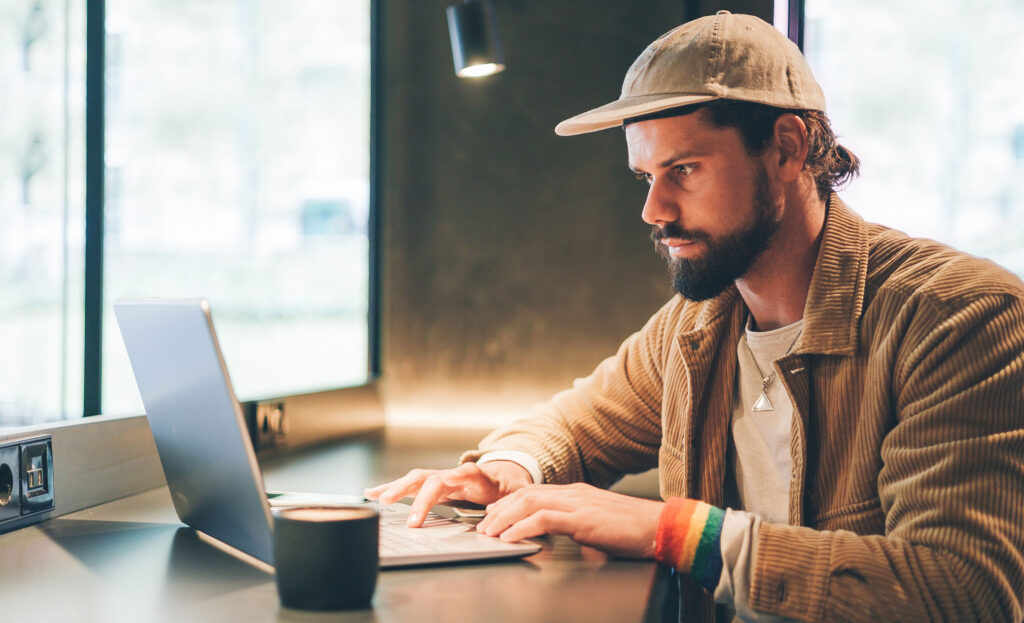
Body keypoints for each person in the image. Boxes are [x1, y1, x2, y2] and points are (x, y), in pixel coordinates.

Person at [365, 11, 1024, 623]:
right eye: (644, 176)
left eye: (683, 169)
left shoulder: (958, 317)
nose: (654, 209)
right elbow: (575, 423)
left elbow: (965, 587)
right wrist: (508, 468)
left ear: (788, 150)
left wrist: (673, 531)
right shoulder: (697, 324)